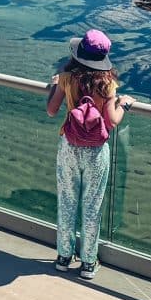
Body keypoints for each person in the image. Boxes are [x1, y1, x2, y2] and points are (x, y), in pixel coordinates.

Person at [46, 29, 134, 280]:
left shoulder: (65, 78)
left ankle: (63, 256)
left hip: (69, 147)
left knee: (67, 201)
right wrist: (123, 104)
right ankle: (88, 262)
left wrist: (52, 87)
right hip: (96, 151)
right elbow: (112, 120)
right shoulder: (107, 84)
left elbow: (52, 111)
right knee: (92, 206)